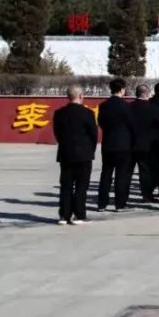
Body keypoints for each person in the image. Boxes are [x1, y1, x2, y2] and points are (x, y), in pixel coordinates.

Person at [52, 85, 98, 225]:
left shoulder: (59, 113)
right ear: (81, 96)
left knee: (66, 185)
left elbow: (57, 133)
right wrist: (91, 150)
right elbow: (93, 135)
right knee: (81, 186)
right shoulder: (88, 113)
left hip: (66, 153)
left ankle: (64, 216)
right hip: (84, 154)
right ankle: (79, 215)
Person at [97, 78, 135, 212]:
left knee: (106, 174)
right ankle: (120, 204)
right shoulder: (126, 106)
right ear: (122, 90)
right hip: (123, 144)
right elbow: (132, 125)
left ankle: (102, 203)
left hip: (108, 143)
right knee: (121, 175)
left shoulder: (103, 105)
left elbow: (100, 122)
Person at [129, 84, 159, 203]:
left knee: (127, 172)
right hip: (147, 144)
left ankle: (122, 198)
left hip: (131, 143)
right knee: (145, 171)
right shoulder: (152, 108)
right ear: (147, 94)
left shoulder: (129, 107)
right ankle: (147, 195)